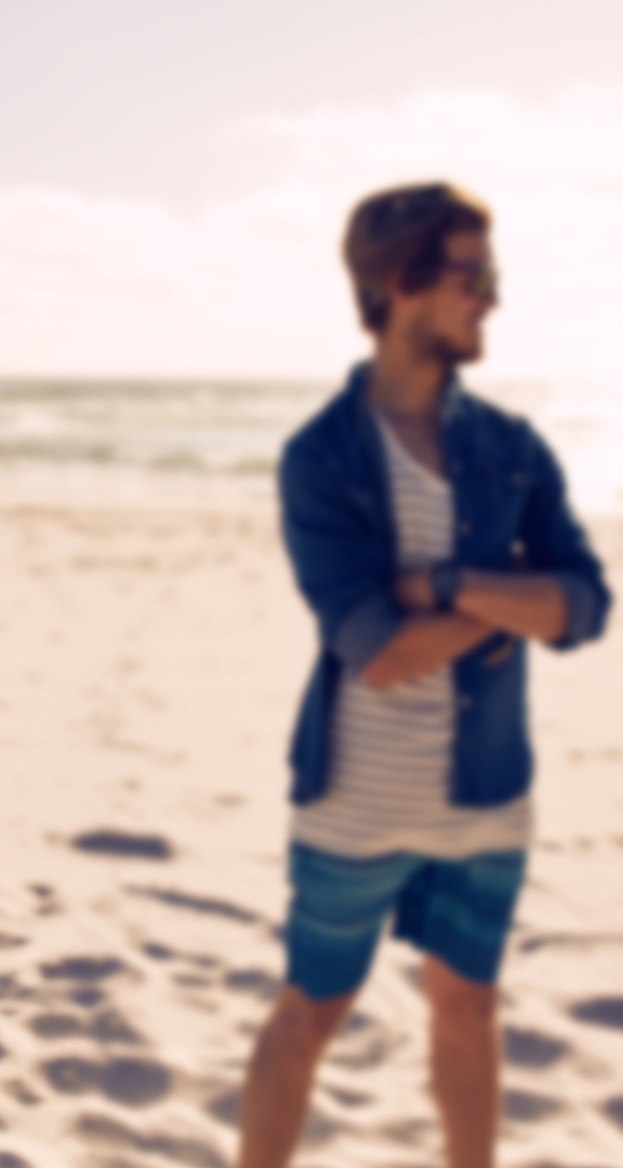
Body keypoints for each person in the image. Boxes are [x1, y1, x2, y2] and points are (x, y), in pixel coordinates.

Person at [234, 182, 610, 1168]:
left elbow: (585, 606)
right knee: (311, 1013)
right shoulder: (321, 457)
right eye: (473, 275)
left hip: (488, 796)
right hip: (354, 800)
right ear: (404, 281)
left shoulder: (511, 447)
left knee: (469, 1008)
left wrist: (445, 583)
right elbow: (378, 651)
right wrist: (502, 610)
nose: (492, 298)